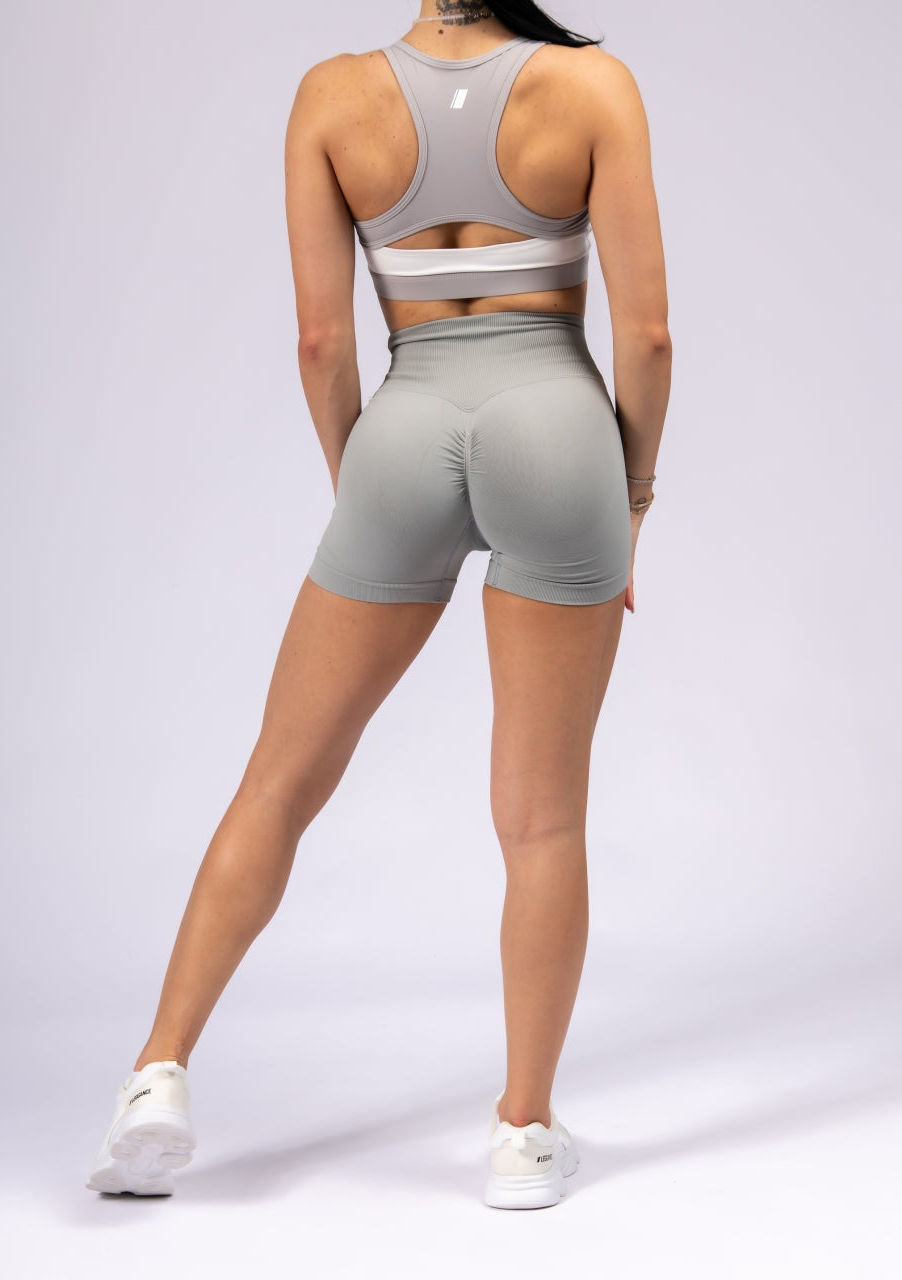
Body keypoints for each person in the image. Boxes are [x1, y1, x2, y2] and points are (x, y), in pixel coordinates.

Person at [86, 0, 671, 1210]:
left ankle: (156, 1074)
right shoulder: (589, 88)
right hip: (556, 427)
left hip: (401, 427)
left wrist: (364, 485)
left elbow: (319, 340)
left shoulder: (330, 95)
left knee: (277, 781)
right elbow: (650, 336)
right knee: (540, 820)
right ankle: (522, 1132)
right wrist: (633, 494)